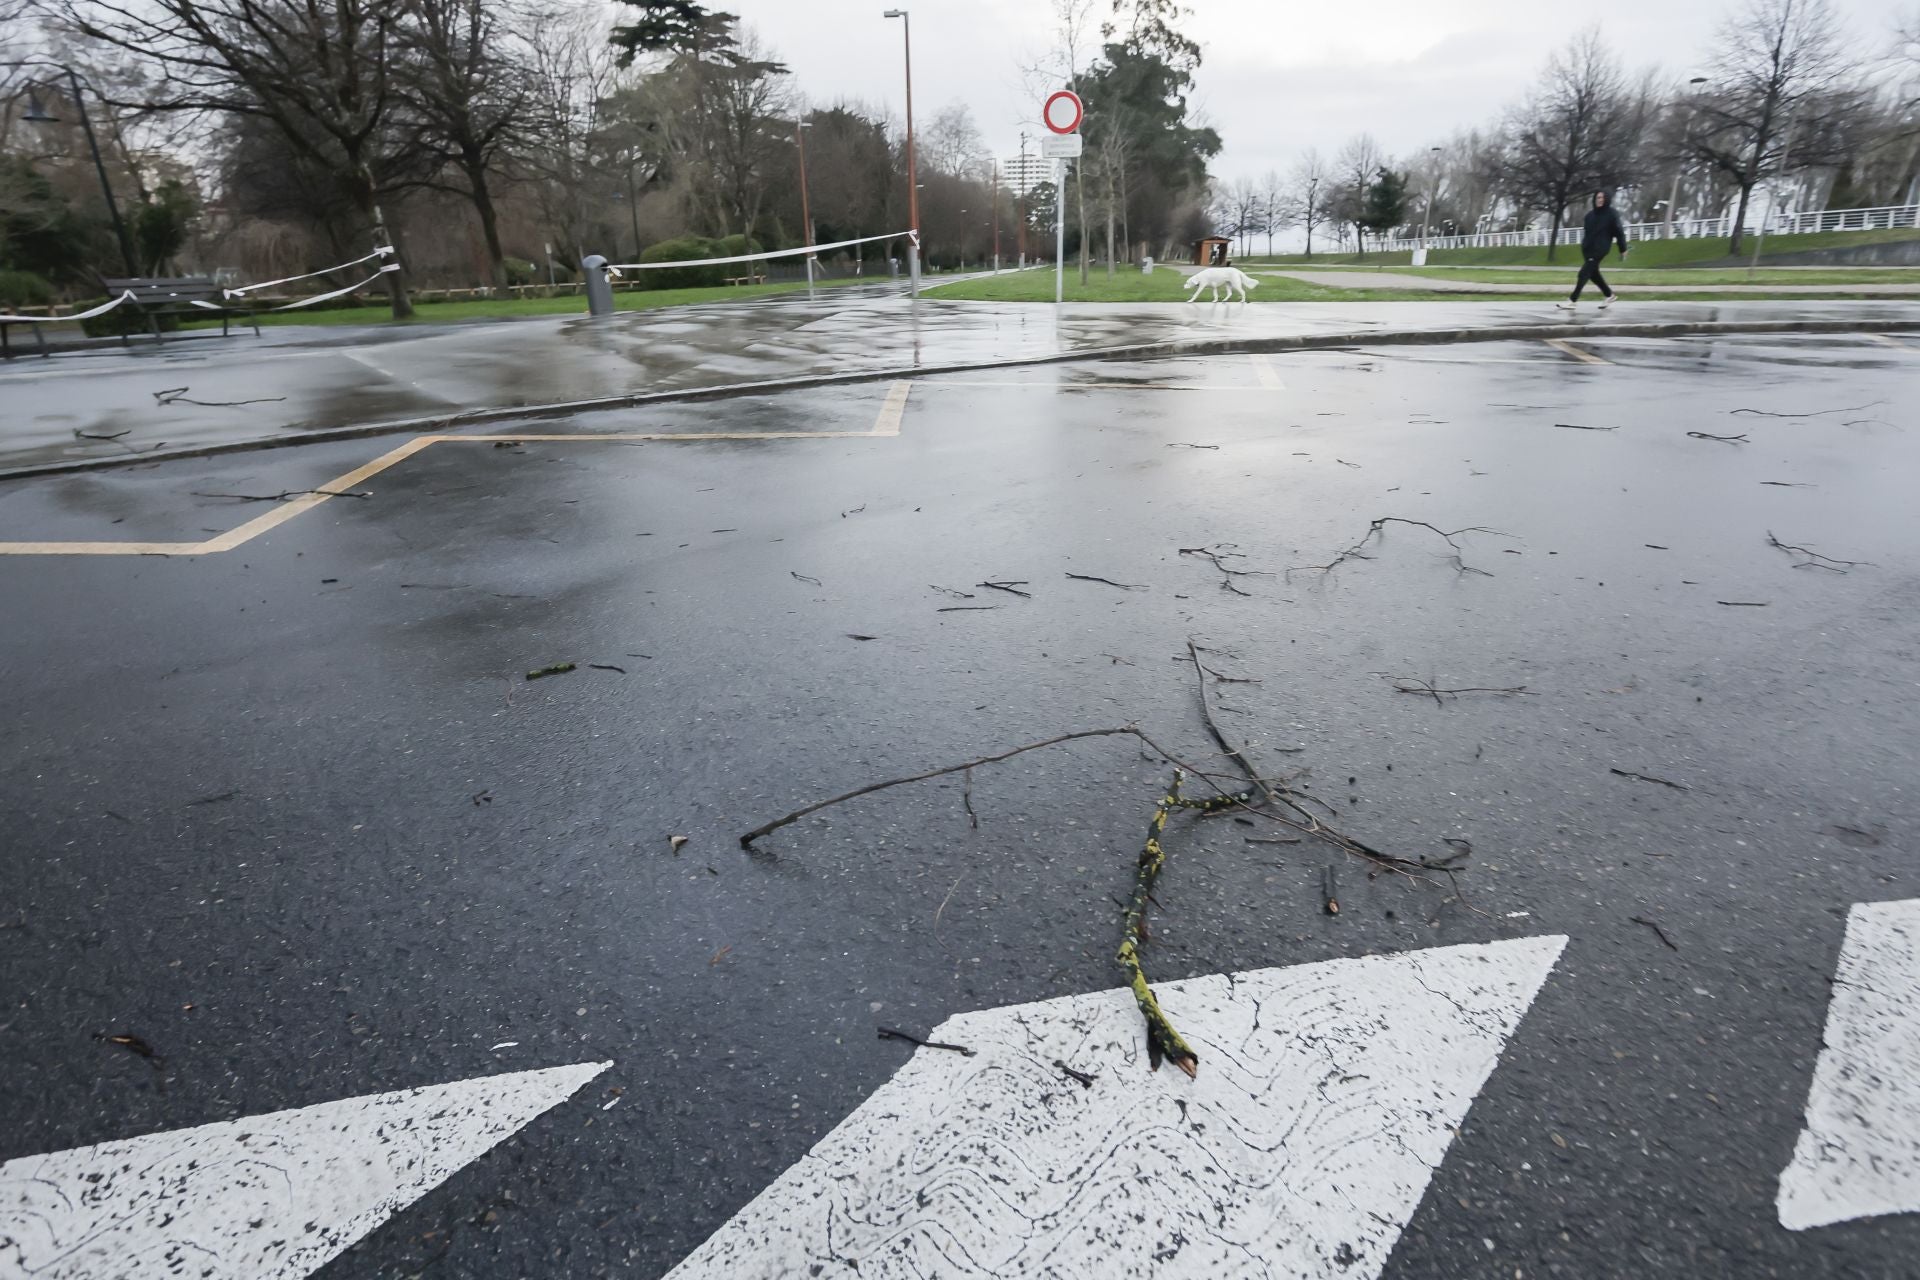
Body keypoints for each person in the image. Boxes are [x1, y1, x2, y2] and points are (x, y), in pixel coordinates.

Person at [1558, 191, 1628, 310]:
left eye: (1602, 197)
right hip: (1588, 249)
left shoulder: (1612, 214)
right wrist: (1584, 246)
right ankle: (1609, 295)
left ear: (1607, 199)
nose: (1599, 200)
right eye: (1597, 197)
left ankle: (1572, 300)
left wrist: (1623, 249)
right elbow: (1587, 233)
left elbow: (1619, 232)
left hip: (1600, 248)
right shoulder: (1589, 215)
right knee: (1593, 274)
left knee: (1583, 273)